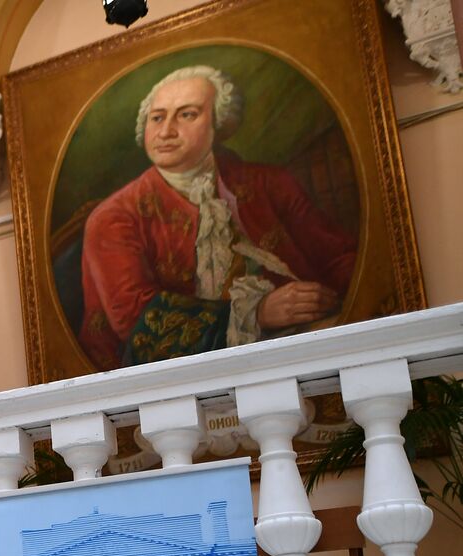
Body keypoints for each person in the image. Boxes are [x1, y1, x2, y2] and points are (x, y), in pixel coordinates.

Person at [78, 65, 359, 371]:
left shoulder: (268, 183)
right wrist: (258, 313)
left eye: (187, 114)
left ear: (219, 124)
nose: (166, 131)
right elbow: (139, 320)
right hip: (167, 375)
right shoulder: (114, 217)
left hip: (293, 348)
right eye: (157, 118)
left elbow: (337, 258)